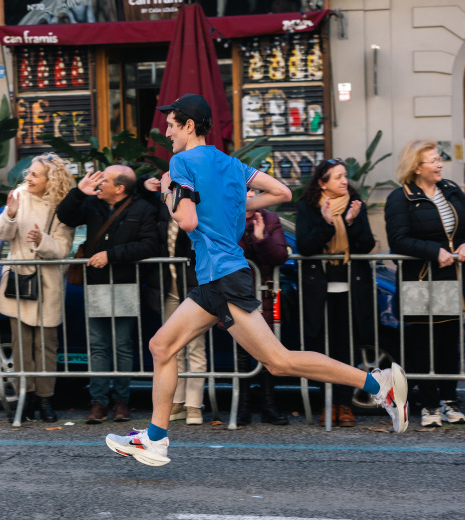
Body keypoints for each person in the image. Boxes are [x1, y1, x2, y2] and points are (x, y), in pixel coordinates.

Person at [106, 93, 409, 467]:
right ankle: (155, 439)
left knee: (278, 361)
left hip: (223, 275)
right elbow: (281, 192)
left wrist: (169, 189)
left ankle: (379, 385)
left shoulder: (182, 162)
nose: (166, 132)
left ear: (188, 125)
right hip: (220, 276)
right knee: (162, 346)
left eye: (171, 125)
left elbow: (186, 221)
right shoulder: (231, 164)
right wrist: (233, 204)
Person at [56, 165, 158, 424]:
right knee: (98, 346)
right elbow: (65, 216)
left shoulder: (142, 209)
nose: (99, 183)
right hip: (96, 284)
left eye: (104, 180)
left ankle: (121, 401)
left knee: (123, 345)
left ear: (120, 188)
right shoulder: (92, 203)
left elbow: (148, 244)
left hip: (126, 283)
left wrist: (111, 255)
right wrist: (79, 192)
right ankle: (98, 402)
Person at [384, 140, 465, 428]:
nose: (440, 163)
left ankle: (449, 401)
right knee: (422, 344)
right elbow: (398, 239)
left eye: (439, 158)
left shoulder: (452, 190)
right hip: (419, 279)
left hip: (451, 278)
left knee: (448, 342)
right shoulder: (400, 197)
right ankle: (428, 404)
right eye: (433, 160)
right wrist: (435, 251)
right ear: (417, 168)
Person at [0, 153, 76, 423]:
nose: (27, 177)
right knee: (21, 346)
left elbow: (63, 248)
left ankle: (45, 399)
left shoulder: (62, 206)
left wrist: (42, 240)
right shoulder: (19, 196)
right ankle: (25, 398)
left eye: (34, 175)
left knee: (46, 347)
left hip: (48, 283)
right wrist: (11, 214)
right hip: (20, 280)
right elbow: (0, 233)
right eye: (28, 173)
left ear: (50, 180)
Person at [296, 159, 376, 427]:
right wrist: (327, 223)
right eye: (338, 177)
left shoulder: (355, 205)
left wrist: (352, 223)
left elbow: (366, 245)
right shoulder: (308, 207)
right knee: (320, 349)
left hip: (350, 290)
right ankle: (325, 404)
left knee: (346, 348)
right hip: (318, 291)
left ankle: (345, 405)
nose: (345, 181)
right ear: (322, 182)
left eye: (345, 176)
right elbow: (305, 246)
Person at [141, 176, 206, 425]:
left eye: (172, 187)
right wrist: (143, 185)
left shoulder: (192, 210)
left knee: (196, 348)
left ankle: (194, 406)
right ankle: (177, 402)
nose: (169, 190)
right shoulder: (161, 211)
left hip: (192, 287)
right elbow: (137, 199)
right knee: (172, 348)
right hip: (167, 289)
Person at [236, 188, 291, 425]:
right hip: (236, 293)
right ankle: (242, 408)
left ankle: (269, 406)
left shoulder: (269, 219)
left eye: (254, 192)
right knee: (242, 353)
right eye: (245, 192)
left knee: (269, 350)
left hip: (264, 293)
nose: (250, 196)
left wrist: (261, 238)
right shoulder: (227, 217)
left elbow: (280, 255)